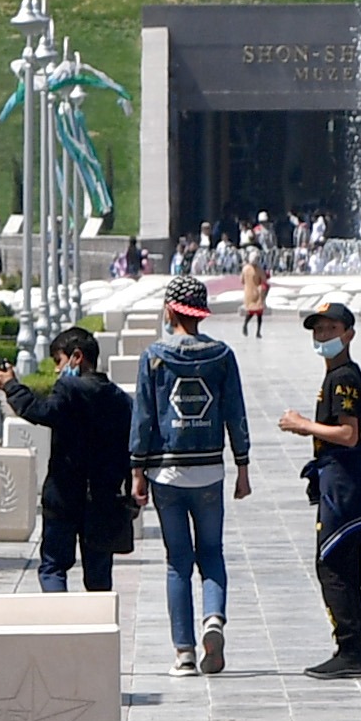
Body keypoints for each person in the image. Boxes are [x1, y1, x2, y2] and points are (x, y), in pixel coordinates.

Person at [129, 279, 253, 674]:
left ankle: (183, 653)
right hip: (209, 470)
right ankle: (213, 619)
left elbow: (144, 417)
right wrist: (243, 466)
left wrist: (137, 470)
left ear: (170, 310)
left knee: (177, 562)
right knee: (212, 552)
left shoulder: (154, 357)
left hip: (166, 471)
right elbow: (235, 411)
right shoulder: (221, 355)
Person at [0, 324, 133, 594]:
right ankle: (98, 629)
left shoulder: (69, 389)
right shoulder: (120, 399)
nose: (58, 370)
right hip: (103, 498)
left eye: (59, 361)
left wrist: (12, 386)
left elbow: (41, 411)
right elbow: (131, 448)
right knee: (99, 574)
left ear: (77, 357)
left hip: (64, 493)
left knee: (53, 566)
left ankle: (59, 623)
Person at [283, 299, 361, 676]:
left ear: (349, 334)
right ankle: (352, 647)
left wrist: (303, 424)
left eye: (331, 329)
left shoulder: (343, 377)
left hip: (344, 477)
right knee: (340, 563)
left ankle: (351, 649)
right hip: (339, 476)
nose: (323, 336)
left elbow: (348, 433)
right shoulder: (337, 374)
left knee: (333, 563)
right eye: (318, 330)